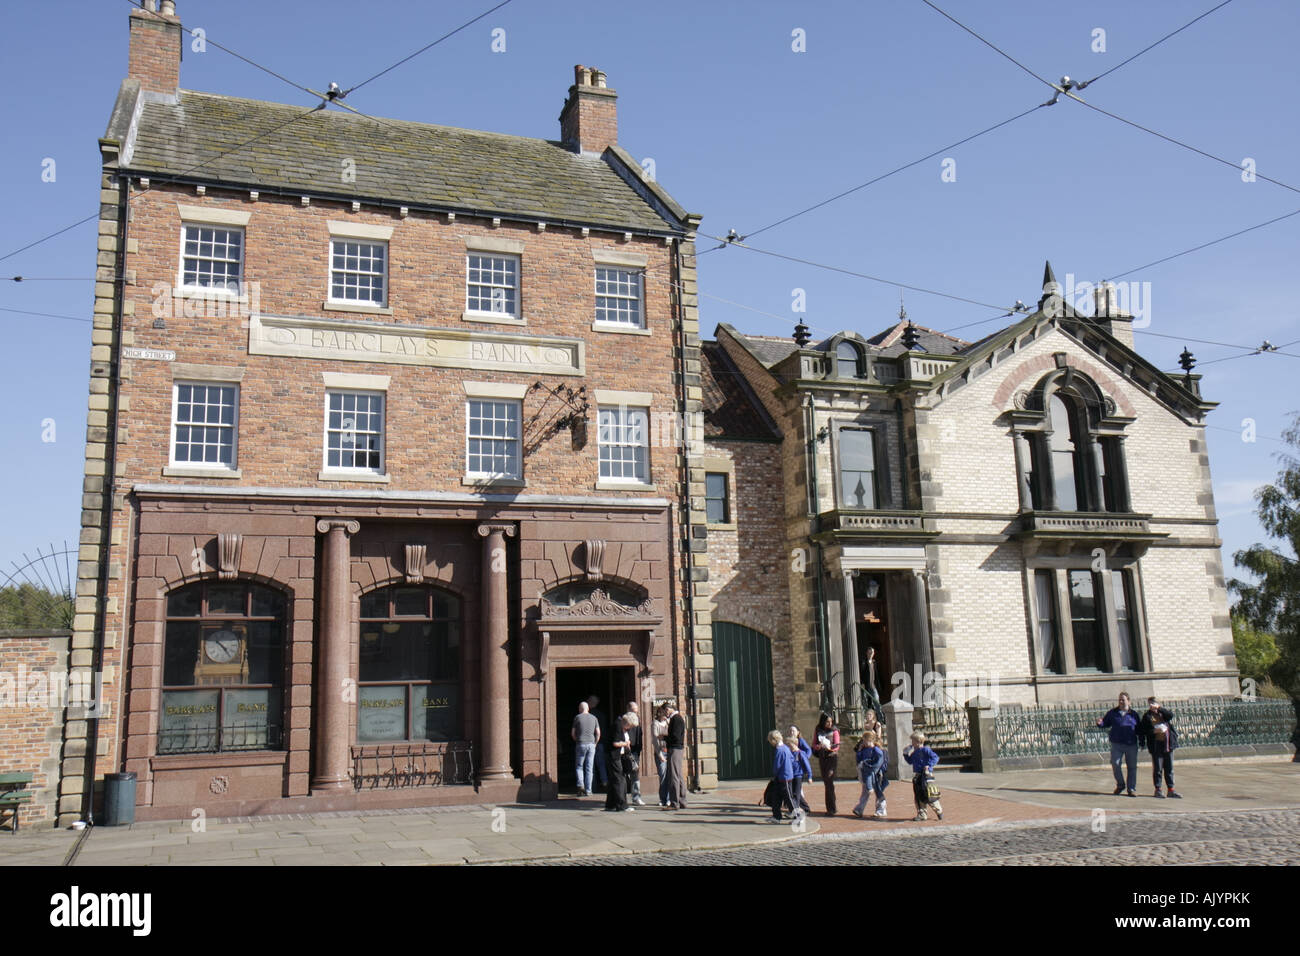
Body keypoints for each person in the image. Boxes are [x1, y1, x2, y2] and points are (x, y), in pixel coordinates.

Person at [1096, 692, 1140, 797]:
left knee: (1132, 767)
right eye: (1119, 699)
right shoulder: (1113, 713)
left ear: (1128, 701)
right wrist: (1100, 723)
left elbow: (1139, 729)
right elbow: (1105, 723)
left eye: (1123, 700)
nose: (1121, 701)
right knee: (1115, 764)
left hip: (1131, 744)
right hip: (1117, 743)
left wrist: (1142, 740)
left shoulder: (1133, 714)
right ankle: (1120, 784)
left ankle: (1131, 788)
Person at [1137, 697, 1181, 798]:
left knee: (1169, 768)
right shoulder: (1147, 716)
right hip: (1156, 744)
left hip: (1168, 744)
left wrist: (1159, 708)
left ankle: (1171, 790)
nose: (1152, 705)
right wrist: (1153, 731)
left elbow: (1170, 715)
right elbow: (1143, 731)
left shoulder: (1163, 713)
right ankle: (1158, 789)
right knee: (1158, 769)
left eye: (1154, 703)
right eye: (1150, 703)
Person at [903, 731, 943, 821]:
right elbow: (910, 761)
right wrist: (905, 754)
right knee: (919, 795)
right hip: (918, 775)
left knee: (929, 793)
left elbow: (935, 757)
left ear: (918, 741)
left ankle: (938, 810)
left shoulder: (925, 750)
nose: (912, 743)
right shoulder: (915, 752)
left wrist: (929, 765)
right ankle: (922, 813)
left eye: (913, 741)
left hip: (926, 774)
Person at [851, 730, 888, 818]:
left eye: (865, 740)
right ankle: (859, 809)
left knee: (878, 792)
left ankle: (881, 810)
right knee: (865, 792)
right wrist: (859, 752)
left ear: (871, 740)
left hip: (876, 774)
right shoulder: (864, 750)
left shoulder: (876, 750)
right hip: (866, 774)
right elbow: (859, 760)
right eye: (863, 740)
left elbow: (879, 762)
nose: (863, 742)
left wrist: (872, 768)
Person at [811, 712, 841, 815]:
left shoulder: (834, 730)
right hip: (822, 757)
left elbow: (837, 745)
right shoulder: (818, 729)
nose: (829, 723)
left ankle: (832, 808)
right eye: (827, 721)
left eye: (831, 721)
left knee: (829, 781)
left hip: (831, 757)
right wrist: (818, 746)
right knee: (826, 782)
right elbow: (814, 744)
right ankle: (831, 807)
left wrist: (829, 747)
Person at [604, 714, 634, 811]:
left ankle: (610, 804)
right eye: (630, 726)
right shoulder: (618, 726)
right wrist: (626, 743)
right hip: (614, 756)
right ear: (627, 723)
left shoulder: (619, 725)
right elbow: (615, 743)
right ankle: (621, 805)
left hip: (616, 756)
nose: (630, 728)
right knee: (620, 780)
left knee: (614, 780)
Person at [765, 730, 795, 823]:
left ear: (773, 740)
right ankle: (776, 816)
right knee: (776, 797)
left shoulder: (779, 750)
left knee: (788, 798)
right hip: (786, 776)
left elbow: (777, 765)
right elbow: (792, 759)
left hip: (784, 777)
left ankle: (798, 816)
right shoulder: (785, 748)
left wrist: (774, 774)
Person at [571, 700, 599, 796]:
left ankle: (580, 785)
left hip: (581, 744)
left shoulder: (577, 717)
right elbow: (598, 733)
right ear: (588, 708)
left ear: (580, 709)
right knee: (589, 768)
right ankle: (589, 790)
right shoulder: (594, 718)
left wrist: (577, 740)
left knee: (579, 766)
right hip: (591, 744)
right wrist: (595, 743)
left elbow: (573, 733)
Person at [663, 702, 688, 809]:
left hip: (675, 748)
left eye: (665, 711)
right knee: (679, 775)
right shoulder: (677, 718)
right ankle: (682, 801)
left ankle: (674, 802)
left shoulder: (676, 719)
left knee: (674, 775)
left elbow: (676, 736)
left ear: (668, 709)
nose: (665, 714)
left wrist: (664, 737)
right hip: (677, 748)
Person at [787, 725, 813, 814]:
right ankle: (805, 808)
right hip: (791, 775)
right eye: (790, 731)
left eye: (793, 731)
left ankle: (796, 811)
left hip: (798, 774)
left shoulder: (800, 743)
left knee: (796, 794)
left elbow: (808, 750)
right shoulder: (789, 749)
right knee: (794, 793)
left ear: (798, 732)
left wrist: (804, 757)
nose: (791, 732)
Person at [587, 695, 609, 791]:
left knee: (590, 765)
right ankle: (605, 783)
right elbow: (603, 729)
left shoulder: (587, 715)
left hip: (590, 742)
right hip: (600, 742)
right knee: (601, 764)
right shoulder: (602, 715)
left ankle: (592, 786)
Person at [626, 701, 645, 806]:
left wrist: (639, 749)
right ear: (628, 710)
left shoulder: (637, 720)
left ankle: (636, 797)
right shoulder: (625, 721)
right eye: (634, 711)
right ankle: (622, 797)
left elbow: (640, 735)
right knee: (624, 774)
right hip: (627, 750)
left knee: (635, 774)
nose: (636, 714)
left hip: (635, 751)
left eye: (637, 711)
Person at [651, 703, 670, 807]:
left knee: (670, 776)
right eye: (663, 714)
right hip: (661, 752)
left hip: (669, 751)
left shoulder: (668, 722)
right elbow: (655, 740)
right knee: (663, 776)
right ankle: (663, 799)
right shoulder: (655, 724)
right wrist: (660, 755)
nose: (665, 716)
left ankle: (669, 798)